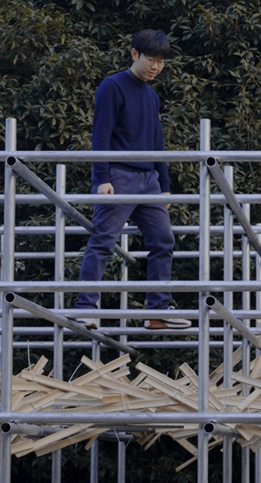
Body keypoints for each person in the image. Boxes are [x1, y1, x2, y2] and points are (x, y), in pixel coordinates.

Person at [76, 29, 188, 331]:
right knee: (103, 240)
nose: (155, 67)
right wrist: (102, 177)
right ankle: (86, 309)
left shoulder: (152, 96)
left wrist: (164, 187)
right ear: (134, 54)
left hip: (149, 179)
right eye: (151, 59)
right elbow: (100, 135)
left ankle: (158, 311)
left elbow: (157, 142)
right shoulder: (112, 86)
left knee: (164, 240)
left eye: (162, 62)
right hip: (119, 176)